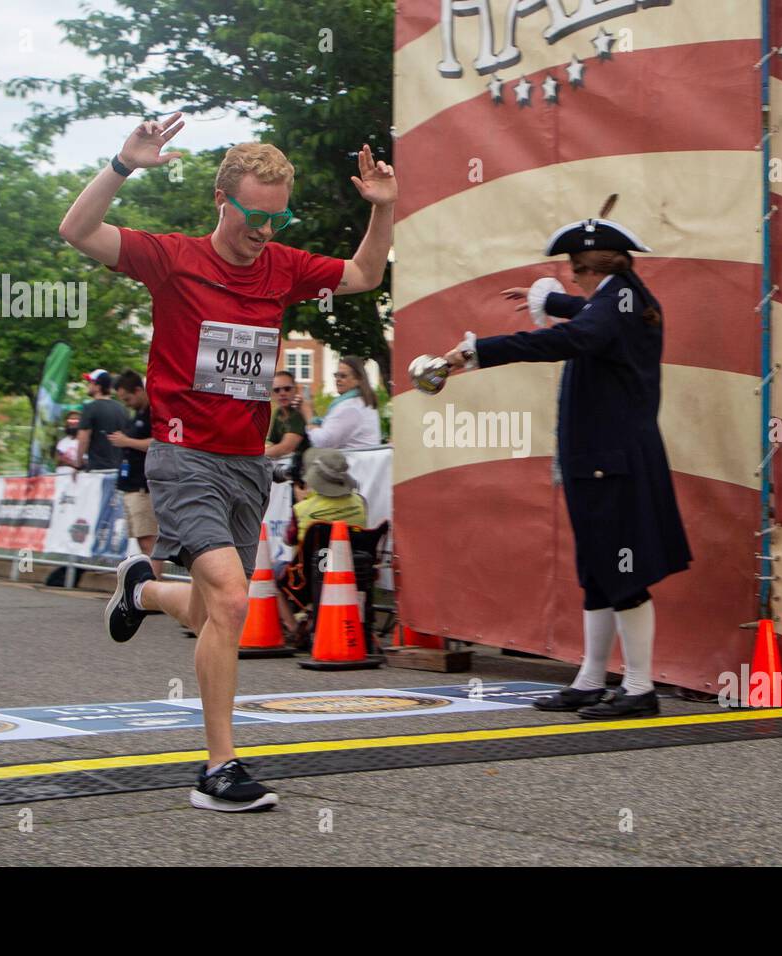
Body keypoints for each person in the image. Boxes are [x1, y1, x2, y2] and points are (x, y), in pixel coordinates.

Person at [59, 112, 396, 812]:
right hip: (183, 456)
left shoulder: (284, 267)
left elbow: (365, 272)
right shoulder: (173, 257)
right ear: (223, 200)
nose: (263, 230)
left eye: (277, 217)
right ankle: (218, 768)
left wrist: (384, 209)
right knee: (237, 597)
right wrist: (122, 165)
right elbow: (77, 231)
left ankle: (144, 592)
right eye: (251, 215)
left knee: (220, 605)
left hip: (247, 463)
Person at [442, 212, 691, 719]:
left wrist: (477, 353)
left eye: (574, 271)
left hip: (611, 461)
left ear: (587, 268)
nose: (572, 278)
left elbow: (569, 338)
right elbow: (589, 315)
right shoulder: (624, 298)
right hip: (602, 459)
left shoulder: (616, 304)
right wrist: (548, 300)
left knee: (623, 573)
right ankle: (592, 679)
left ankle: (640, 689)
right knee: (600, 572)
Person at [275, 447, 369, 638]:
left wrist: (303, 498)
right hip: (355, 570)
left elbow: (289, 539)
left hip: (314, 574)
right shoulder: (360, 502)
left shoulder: (303, 509)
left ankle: (294, 629)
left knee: (272, 573)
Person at [109, 370, 161, 577]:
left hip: (144, 486)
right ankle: (148, 584)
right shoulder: (136, 415)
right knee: (141, 539)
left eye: (128, 399)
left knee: (148, 539)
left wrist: (127, 442)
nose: (126, 404)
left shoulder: (153, 413)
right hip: (130, 484)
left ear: (139, 391)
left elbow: (158, 443)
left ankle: (154, 584)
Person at [301, 356, 381, 450]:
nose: (338, 379)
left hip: (353, 462)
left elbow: (323, 443)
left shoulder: (351, 407)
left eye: (343, 376)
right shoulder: (360, 402)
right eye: (336, 375)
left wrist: (309, 416)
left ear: (358, 380)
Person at [76, 370, 130, 471]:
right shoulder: (123, 409)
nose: (88, 385)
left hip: (97, 471)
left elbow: (83, 439)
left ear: (98, 387)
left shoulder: (89, 408)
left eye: (90, 382)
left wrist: (78, 464)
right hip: (118, 470)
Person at [265, 369, 306, 459]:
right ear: (272, 394)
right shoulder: (278, 413)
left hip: (304, 466)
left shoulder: (299, 411)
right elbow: (273, 444)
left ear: (296, 390)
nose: (282, 393)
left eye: (287, 389)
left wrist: (256, 454)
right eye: (277, 390)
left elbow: (286, 448)